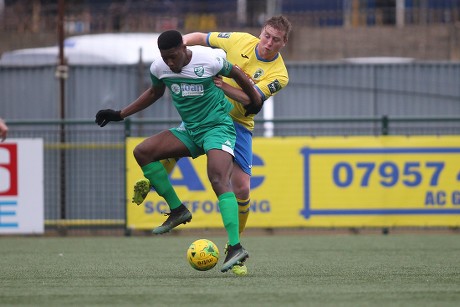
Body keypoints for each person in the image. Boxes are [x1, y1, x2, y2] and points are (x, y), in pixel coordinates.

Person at [135, 16, 292, 275]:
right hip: (208, 113)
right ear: (261, 32)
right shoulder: (240, 39)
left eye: (275, 40)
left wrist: (222, 85)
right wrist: (181, 46)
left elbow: (252, 100)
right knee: (173, 144)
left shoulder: (280, 74)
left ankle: (235, 247)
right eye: (266, 35)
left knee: (241, 187)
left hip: (239, 122)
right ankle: (154, 183)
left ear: (284, 43)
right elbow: (200, 37)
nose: (268, 43)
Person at [95, 30, 261, 273]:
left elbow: (235, 72)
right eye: (165, 57)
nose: (170, 63)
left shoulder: (209, 61)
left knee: (217, 179)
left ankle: (236, 247)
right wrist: (120, 114)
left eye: (173, 56)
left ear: (184, 49)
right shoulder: (159, 68)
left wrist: (253, 99)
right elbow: (154, 92)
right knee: (143, 152)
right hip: (190, 131)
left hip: (217, 129)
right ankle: (177, 209)